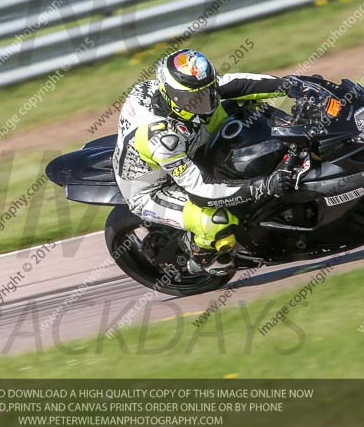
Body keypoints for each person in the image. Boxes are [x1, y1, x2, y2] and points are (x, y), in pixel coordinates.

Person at [113, 48, 302, 275]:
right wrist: (264, 186)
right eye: (192, 99)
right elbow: (201, 190)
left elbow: (235, 85)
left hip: (190, 142)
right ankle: (200, 255)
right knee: (217, 219)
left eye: (205, 92)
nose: (203, 102)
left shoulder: (190, 92)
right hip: (154, 188)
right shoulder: (162, 138)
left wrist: (292, 85)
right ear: (170, 96)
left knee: (246, 112)